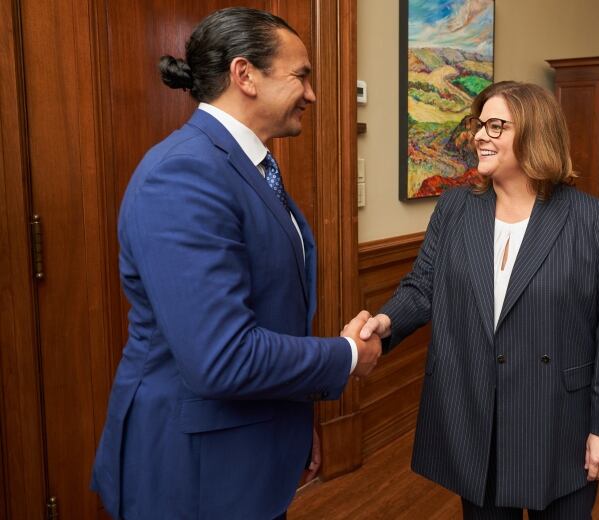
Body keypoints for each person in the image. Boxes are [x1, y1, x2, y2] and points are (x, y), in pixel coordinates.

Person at [90, 8, 381, 519]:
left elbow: (269, 310)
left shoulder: (250, 165)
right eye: (301, 76)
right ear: (245, 75)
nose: (311, 95)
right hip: (196, 472)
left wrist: (298, 419)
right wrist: (347, 356)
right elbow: (222, 357)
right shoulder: (184, 174)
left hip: (251, 447)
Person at [358, 81, 599, 518]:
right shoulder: (455, 208)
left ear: (536, 134)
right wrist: (384, 322)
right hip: (479, 416)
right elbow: (423, 285)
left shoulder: (586, 217)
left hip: (559, 422)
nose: (480, 136)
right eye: (479, 125)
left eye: (496, 126)